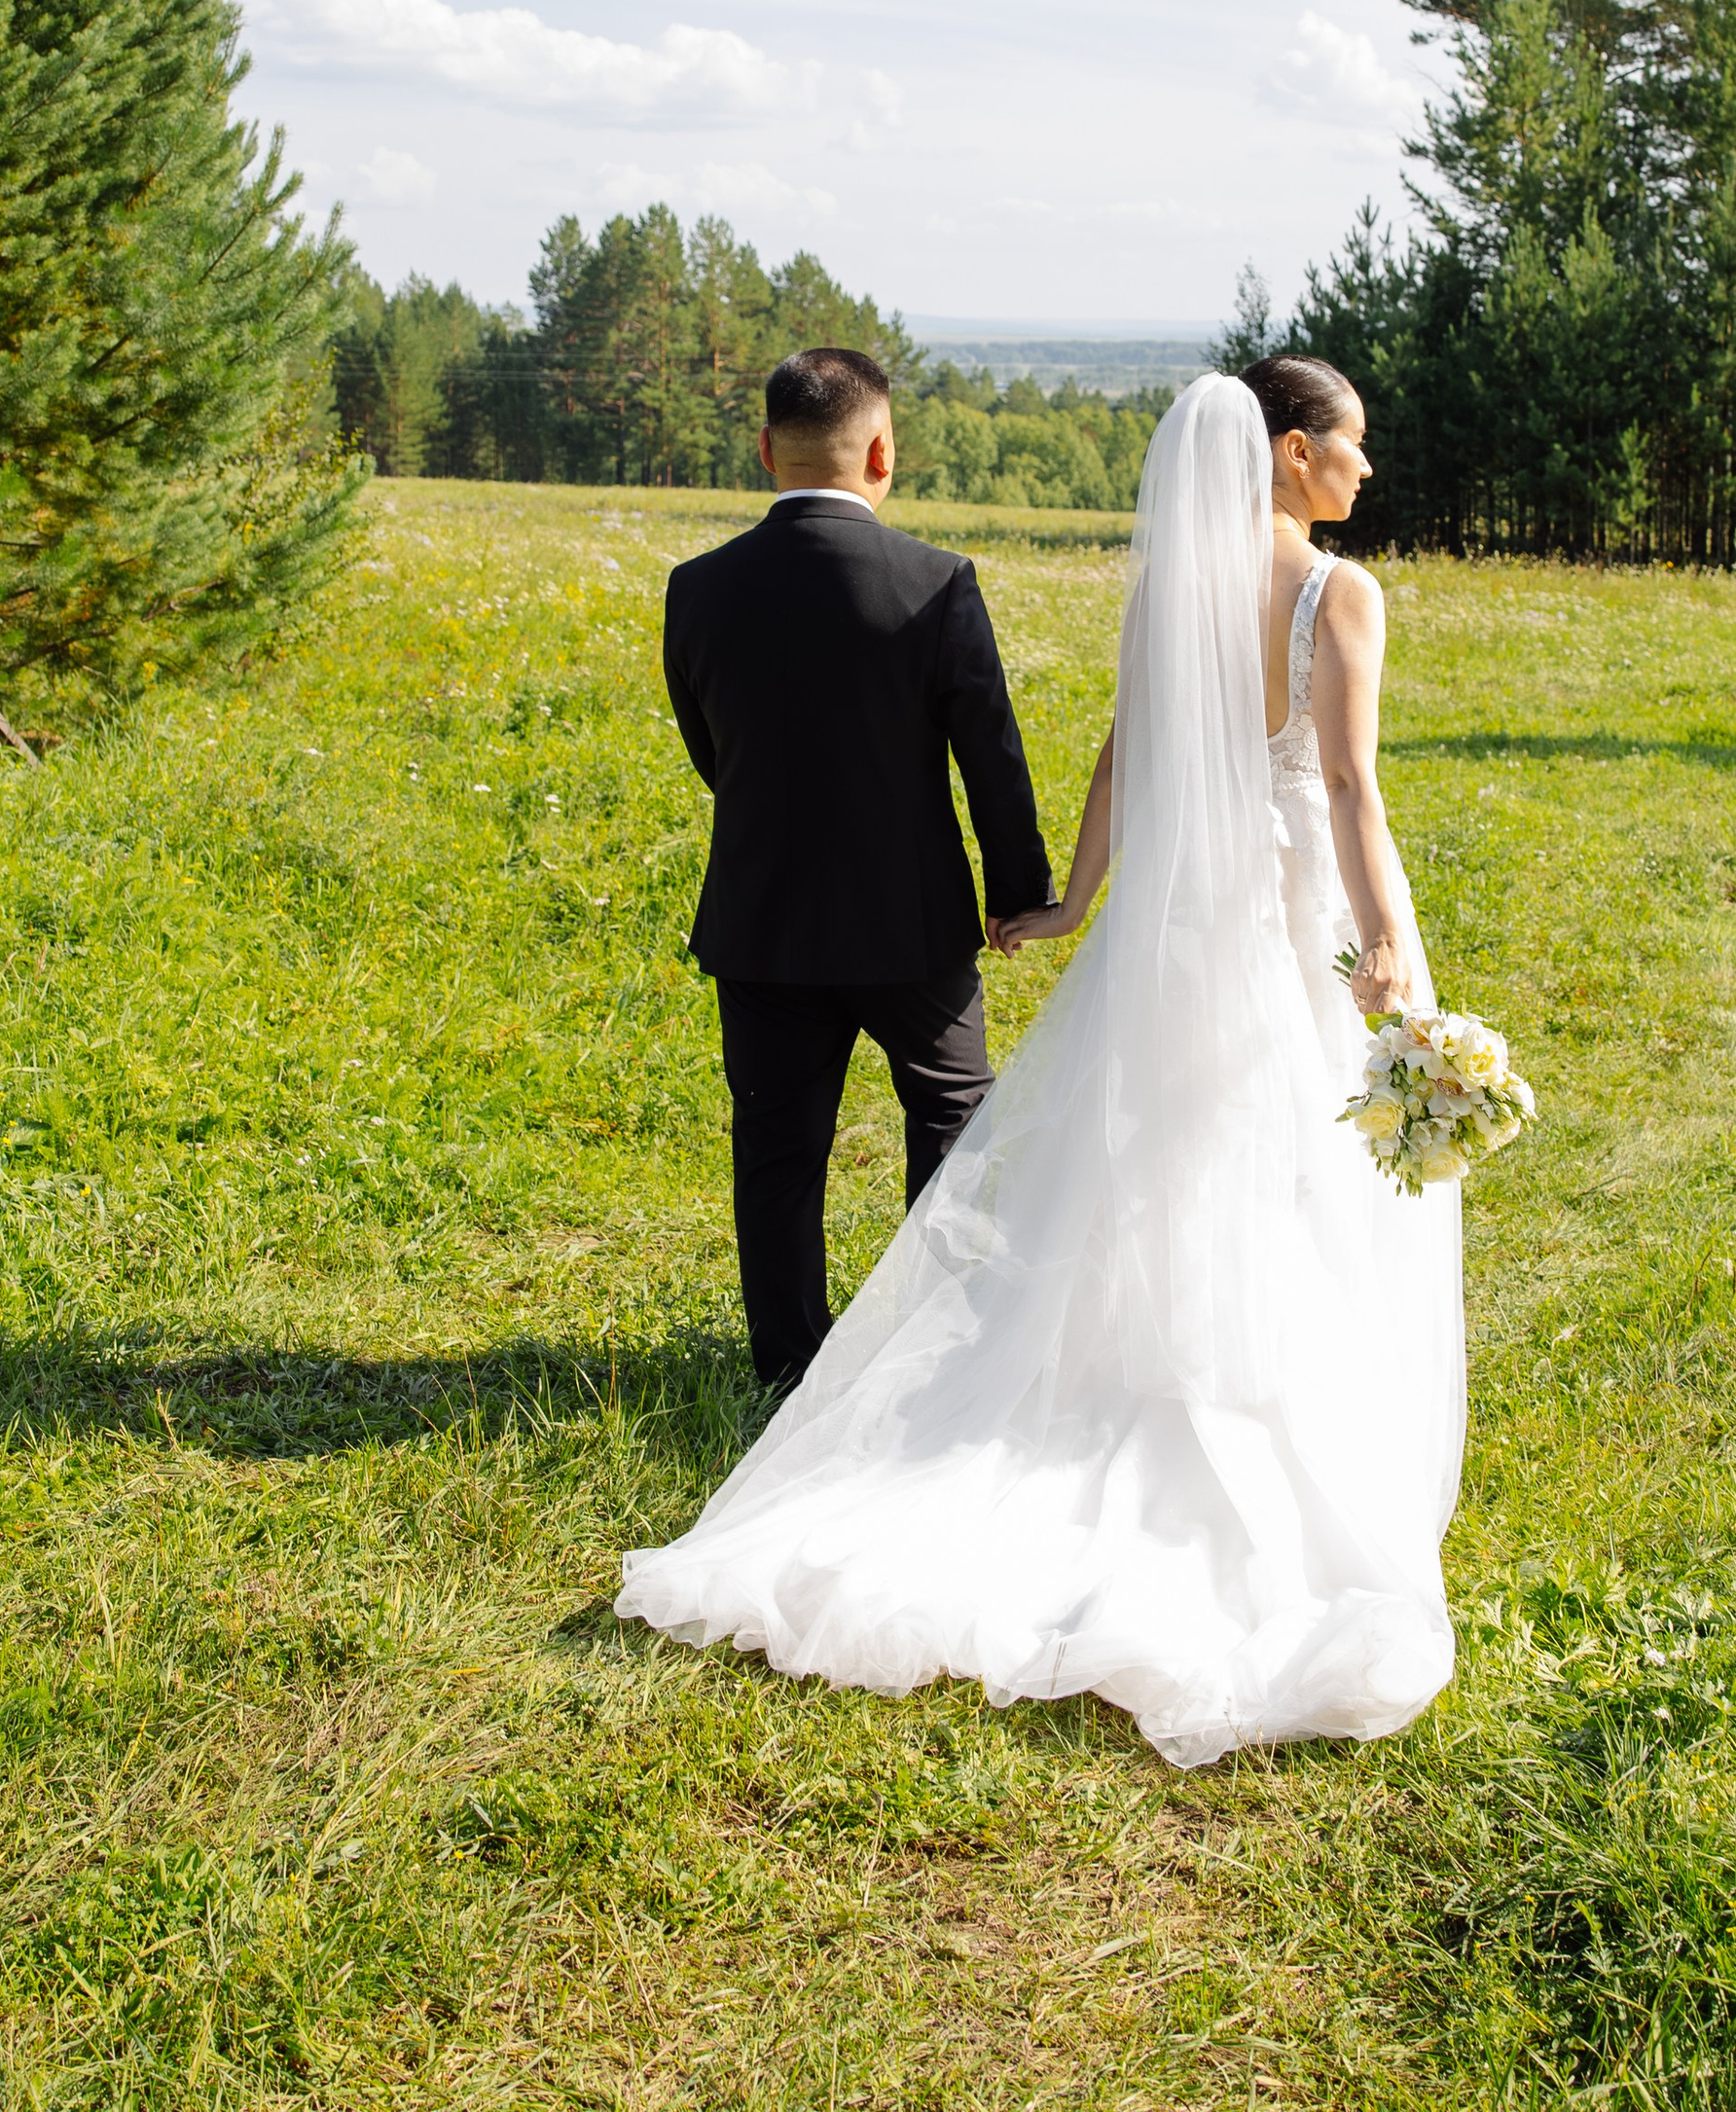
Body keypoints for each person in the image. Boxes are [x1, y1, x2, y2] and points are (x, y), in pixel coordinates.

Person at [618, 358, 1467, 1768]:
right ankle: (1268, 1402)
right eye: (1355, 447)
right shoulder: (1340, 595)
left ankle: (1014, 1367)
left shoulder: (1170, 594)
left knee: (1165, 1145)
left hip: (1176, 928)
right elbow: (1352, 788)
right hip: (1297, 911)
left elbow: (1124, 757)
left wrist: (1075, 900)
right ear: (1293, 453)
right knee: (1288, 1153)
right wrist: (1383, 942)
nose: (1366, 471)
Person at [659, 342, 1058, 1396]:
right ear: (881, 450)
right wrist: (1018, 892)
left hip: (763, 917)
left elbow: (714, 752)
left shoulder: (696, 590)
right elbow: (992, 757)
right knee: (952, 1117)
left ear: (764, 450)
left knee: (778, 1148)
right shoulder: (935, 584)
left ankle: (788, 1364)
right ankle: (932, 1342)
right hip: (910, 923)